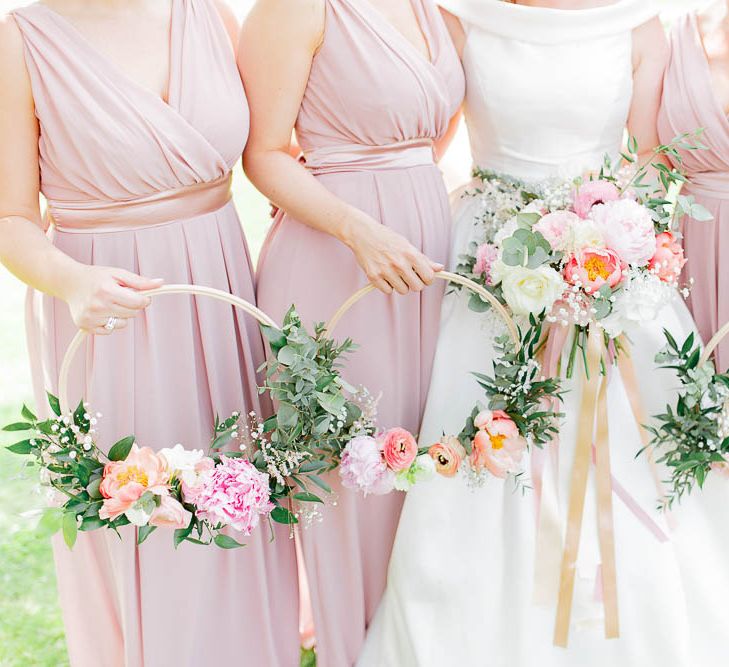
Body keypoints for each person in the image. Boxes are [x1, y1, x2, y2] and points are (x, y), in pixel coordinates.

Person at [358, 2, 727, 666]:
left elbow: (645, 160)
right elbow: (423, 144)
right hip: (489, 257)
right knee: (481, 430)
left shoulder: (637, 25)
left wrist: (609, 244)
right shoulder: (460, 18)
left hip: (605, 262)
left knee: (633, 444)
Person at [0, 1, 299, 664]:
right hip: (109, 310)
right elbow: (12, 218)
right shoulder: (22, 40)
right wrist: (72, 281)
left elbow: (274, 146)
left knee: (238, 496)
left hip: (218, 290)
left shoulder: (207, 15)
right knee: (145, 510)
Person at [239, 0, 464, 664]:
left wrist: (408, 185)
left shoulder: (434, 9)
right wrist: (358, 221)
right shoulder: (293, 9)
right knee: (354, 472)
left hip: (422, 251)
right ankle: (349, 647)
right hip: (336, 257)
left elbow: (435, 126)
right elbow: (262, 154)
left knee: (422, 457)